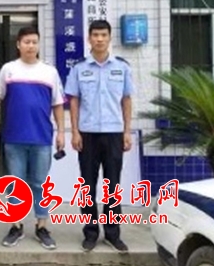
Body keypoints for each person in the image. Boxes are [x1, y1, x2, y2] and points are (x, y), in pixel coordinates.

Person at [64, 19, 133, 254]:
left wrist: (126, 131)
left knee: (113, 185)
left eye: (103, 35)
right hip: (88, 134)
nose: (99, 39)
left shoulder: (122, 67)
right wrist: (74, 131)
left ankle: (113, 234)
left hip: (114, 134)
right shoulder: (79, 68)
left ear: (110, 38)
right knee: (87, 186)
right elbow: (74, 101)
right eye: (95, 35)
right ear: (89, 38)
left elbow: (126, 100)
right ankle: (90, 233)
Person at [0, 26, 65, 250]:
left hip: (41, 137)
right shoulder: (8, 70)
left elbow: (57, 104)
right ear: (18, 44)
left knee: (40, 183)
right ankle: (16, 226)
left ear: (39, 44)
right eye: (26, 42)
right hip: (13, 137)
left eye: (34, 42)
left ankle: (42, 226)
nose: (31, 46)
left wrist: (61, 132)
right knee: (16, 183)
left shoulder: (49, 72)